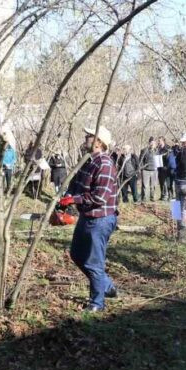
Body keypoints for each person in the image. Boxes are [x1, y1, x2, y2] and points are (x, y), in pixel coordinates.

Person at [60, 126, 119, 312]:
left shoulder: (105, 164)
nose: (86, 137)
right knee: (76, 254)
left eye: (90, 135)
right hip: (87, 216)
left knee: (94, 262)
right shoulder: (88, 161)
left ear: (99, 142)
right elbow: (76, 184)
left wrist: (74, 199)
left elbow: (99, 197)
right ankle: (106, 286)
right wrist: (65, 200)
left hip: (101, 219)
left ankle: (97, 303)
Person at [139, 137, 158, 202]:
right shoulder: (144, 150)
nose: (152, 144)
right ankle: (143, 198)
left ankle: (152, 197)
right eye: (151, 142)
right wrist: (142, 169)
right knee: (145, 186)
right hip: (145, 170)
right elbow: (140, 161)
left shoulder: (157, 151)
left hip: (154, 170)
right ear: (149, 143)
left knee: (153, 185)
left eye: (154, 142)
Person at [157, 136, 170, 201]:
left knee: (165, 182)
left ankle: (166, 195)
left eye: (159, 141)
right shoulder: (158, 148)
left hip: (165, 167)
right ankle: (162, 195)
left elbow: (169, 158)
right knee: (161, 182)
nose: (158, 142)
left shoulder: (167, 148)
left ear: (163, 141)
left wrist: (164, 155)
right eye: (158, 141)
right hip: (159, 168)